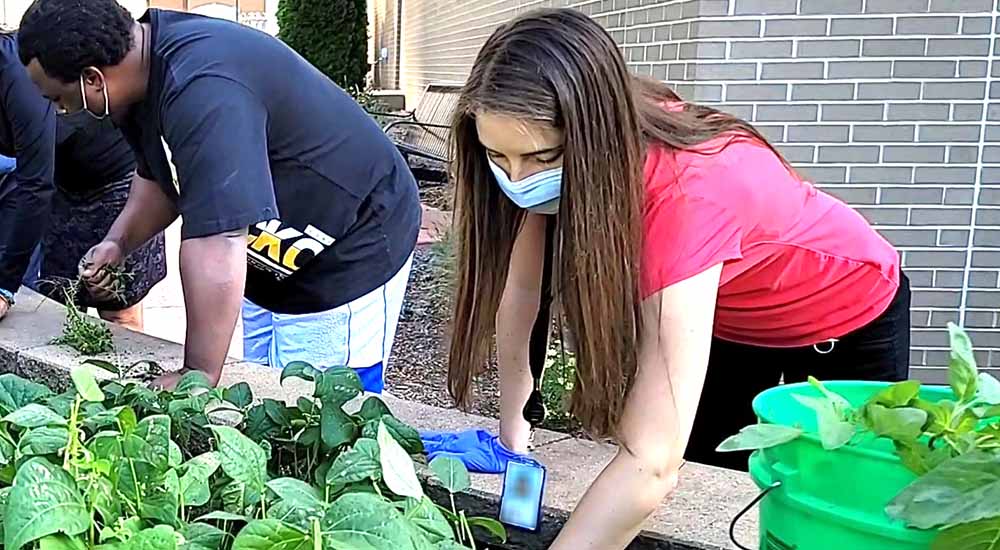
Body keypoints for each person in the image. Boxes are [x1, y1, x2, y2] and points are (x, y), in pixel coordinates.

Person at [420, 9, 910, 549]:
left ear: (593, 133)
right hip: (726, 313)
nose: (517, 180)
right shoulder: (582, 141)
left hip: (846, 314)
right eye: (498, 156)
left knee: (836, 507)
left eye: (540, 158)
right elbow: (524, 292)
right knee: (696, 489)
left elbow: (650, 464)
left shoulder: (685, 199)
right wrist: (514, 432)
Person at [18, 0, 420, 391]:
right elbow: (159, 176)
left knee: (321, 408)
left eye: (58, 99)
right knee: (269, 395)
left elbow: (215, 240)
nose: (60, 111)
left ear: (93, 78)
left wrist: (197, 372)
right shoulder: (140, 77)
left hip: (350, 246)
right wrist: (118, 241)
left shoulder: (201, 87)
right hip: (274, 257)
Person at [0, 31, 165, 331]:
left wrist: (4, 287)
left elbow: (33, 182)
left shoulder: (15, 69)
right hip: (62, 185)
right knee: (56, 303)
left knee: (118, 310)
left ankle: (123, 376)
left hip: (117, 182)